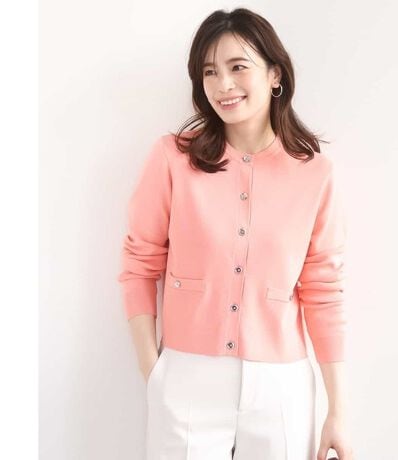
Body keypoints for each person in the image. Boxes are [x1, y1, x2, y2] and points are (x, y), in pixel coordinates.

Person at [117, 7, 354, 460]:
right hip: (186, 378)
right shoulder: (172, 159)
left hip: (281, 386)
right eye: (209, 72)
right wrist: (155, 372)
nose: (223, 84)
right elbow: (138, 265)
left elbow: (324, 289)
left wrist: (338, 410)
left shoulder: (315, 174)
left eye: (238, 67)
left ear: (274, 75)